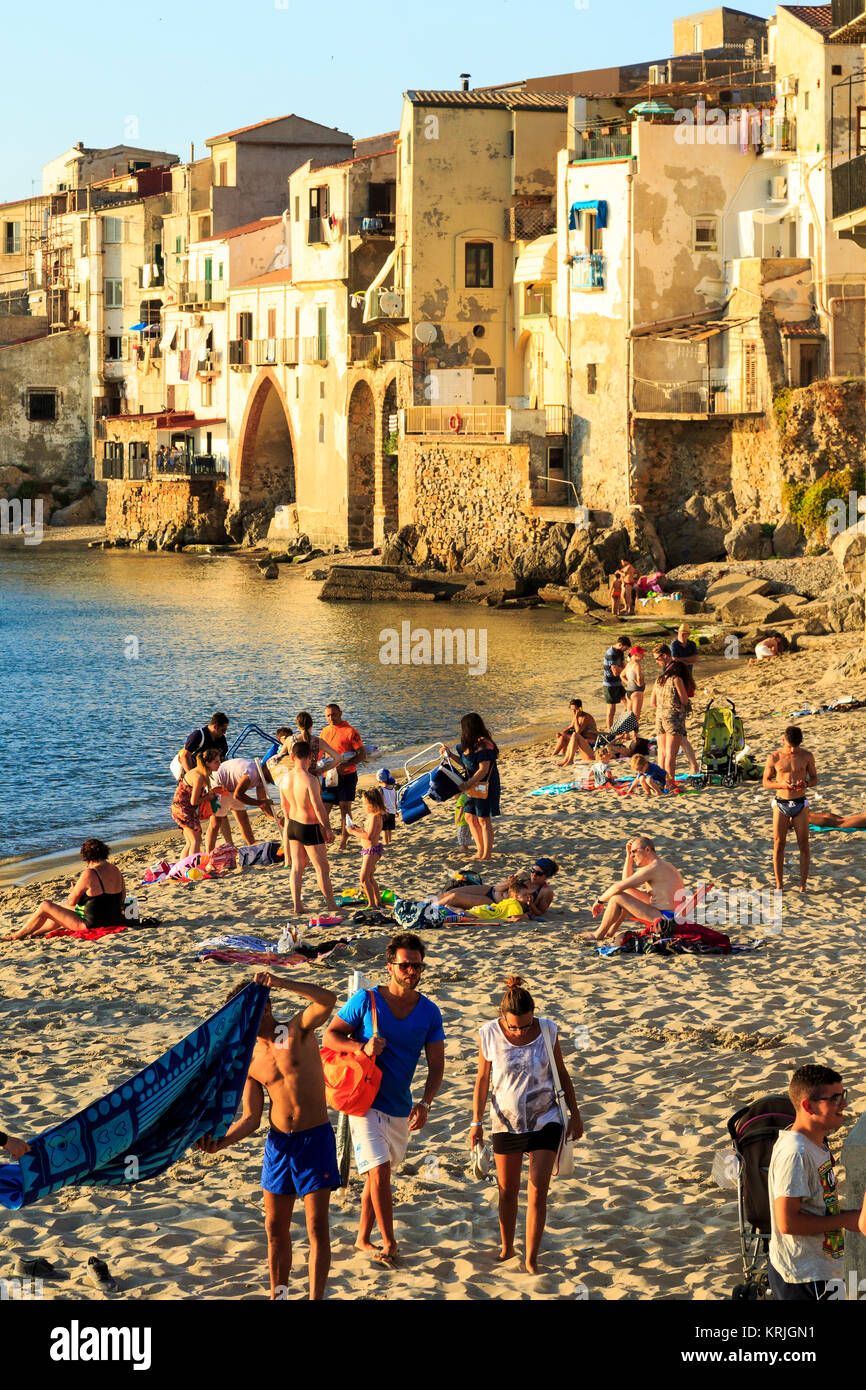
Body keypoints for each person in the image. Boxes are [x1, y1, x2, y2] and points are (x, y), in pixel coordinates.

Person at [197, 972, 340, 1301]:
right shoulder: (249, 1059)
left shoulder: (295, 1030)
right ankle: (280, 1295)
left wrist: (281, 982)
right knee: (275, 1229)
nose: (252, 1015)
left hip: (314, 1139)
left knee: (317, 1226)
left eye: (256, 1006)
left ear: (267, 1005)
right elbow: (250, 1117)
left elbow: (327, 1000)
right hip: (279, 1146)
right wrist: (221, 1142)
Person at [321, 934, 445, 1266]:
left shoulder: (430, 1012)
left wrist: (426, 1102)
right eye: (406, 965)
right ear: (390, 966)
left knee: (381, 1173)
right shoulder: (366, 1000)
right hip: (363, 1100)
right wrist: (359, 1048)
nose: (412, 971)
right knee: (379, 1173)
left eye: (417, 966)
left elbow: (437, 1064)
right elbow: (330, 1035)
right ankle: (389, 1242)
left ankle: (362, 1238)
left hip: (399, 1105)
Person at [471, 976, 582, 1274]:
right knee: (507, 1191)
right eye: (513, 1026)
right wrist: (475, 1122)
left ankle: (531, 1259)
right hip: (505, 1122)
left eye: (526, 1024)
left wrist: (575, 1114)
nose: (520, 1030)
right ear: (501, 1017)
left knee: (537, 1191)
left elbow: (561, 1071)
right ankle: (507, 1247)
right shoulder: (488, 1034)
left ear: (534, 1014)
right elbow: (483, 1080)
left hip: (546, 1119)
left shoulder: (547, 1029)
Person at [767, 1064, 866, 1301]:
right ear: (808, 1105)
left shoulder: (816, 1144)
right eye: (835, 1098)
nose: (844, 1104)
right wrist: (847, 1220)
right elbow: (787, 1223)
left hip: (820, 1270)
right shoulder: (796, 1153)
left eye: (844, 1095)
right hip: (804, 1278)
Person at [2, 839, 125, 941]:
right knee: (62, 908)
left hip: (92, 925)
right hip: (112, 919)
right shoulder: (116, 870)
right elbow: (122, 898)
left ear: (86, 858)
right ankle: (36, 932)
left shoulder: (90, 873)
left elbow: (72, 901)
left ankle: (17, 935)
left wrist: (73, 891)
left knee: (45, 906)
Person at [585, 836, 684, 943]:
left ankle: (598, 934)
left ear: (647, 849)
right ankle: (609, 933)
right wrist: (628, 858)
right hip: (672, 916)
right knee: (626, 894)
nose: (632, 855)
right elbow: (626, 884)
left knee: (617, 898)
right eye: (630, 853)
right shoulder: (663, 865)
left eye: (634, 852)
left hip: (666, 920)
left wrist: (600, 901)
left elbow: (619, 886)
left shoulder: (654, 868)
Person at [279, 741, 338, 917]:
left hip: (293, 826)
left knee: (297, 867)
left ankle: (297, 906)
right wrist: (327, 828)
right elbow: (318, 807)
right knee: (322, 868)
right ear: (311, 757)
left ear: (292, 757)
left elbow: (284, 807)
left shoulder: (285, 779)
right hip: (309, 826)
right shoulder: (310, 779)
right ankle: (332, 905)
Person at [763, 726, 818, 891]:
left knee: (803, 844)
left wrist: (806, 783)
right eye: (789, 747)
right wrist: (781, 784)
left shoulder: (807, 756)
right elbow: (765, 782)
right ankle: (779, 884)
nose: (792, 750)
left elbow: (815, 778)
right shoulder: (774, 757)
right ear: (783, 741)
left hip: (800, 803)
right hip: (781, 803)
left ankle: (803, 884)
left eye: (795, 747)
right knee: (779, 843)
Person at [445, 714, 501, 861]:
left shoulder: (484, 745)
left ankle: (486, 854)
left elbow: (483, 769)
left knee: (483, 819)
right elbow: (465, 764)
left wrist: (467, 784)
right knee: (469, 816)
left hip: (484, 785)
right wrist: (450, 754)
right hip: (472, 784)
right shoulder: (470, 744)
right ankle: (480, 850)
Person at [204, 756, 279, 854]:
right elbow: (238, 796)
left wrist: (276, 819)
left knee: (243, 817)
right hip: (217, 784)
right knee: (216, 822)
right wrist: (259, 803)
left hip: (233, 787)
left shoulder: (263, 777)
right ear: (266, 770)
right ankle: (208, 854)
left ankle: (252, 845)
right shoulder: (251, 773)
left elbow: (262, 801)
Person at [320, 704, 366, 851]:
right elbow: (320, 753)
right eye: (328, 715)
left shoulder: (351, 731)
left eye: (333, 714)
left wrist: (344, 766)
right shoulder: (325, 731)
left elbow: (362, 755)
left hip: (347, 775)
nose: (331, 718)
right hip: (329, 775)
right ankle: (322, 839)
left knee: (344, 809)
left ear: (340, 713)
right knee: (324, 808)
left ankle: (344, 841)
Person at [654, 658, 698, 789]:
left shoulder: (659, 679)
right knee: (671, 755)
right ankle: (670, 783)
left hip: (660, 717)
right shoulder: (676, 679)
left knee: (661, 753)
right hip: (673, 719)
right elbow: (684, 700)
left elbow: (653, 702)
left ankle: (660, 781)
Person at [171, 748, 221, 857]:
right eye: (216, 762)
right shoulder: (198, 776)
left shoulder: (202, 773)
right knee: (195, 840)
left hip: (183, 808)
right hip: (182, 809)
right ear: (207, 763)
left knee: (190, 842)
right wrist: (208, 797)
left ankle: (184, 867)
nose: (219, 764)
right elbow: (194, 801)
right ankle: (194, 868)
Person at [348, 787, 385, 908]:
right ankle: (377, 901)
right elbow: (366, 832)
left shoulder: (375, 816)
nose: (364, 805)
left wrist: (352, 833)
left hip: (372, 851)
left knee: (363, 878)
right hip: (368, 850)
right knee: (370, 877)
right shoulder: (371, 815)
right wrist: (356, 829)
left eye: (366, 803)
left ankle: (372, 904)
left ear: (372, 803)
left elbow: (369, 836)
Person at [553, 699, 598, 766]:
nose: (573, 712)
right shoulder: (576, 716)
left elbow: (578, 731)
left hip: (591, 741)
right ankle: (554, 755)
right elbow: (570, 727)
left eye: (575, 709)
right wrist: (561, 733)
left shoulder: (585, 717)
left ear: (580, 708)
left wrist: (576, 717)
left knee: (570, 735)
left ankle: (567, 758)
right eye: (572, 710)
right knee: (562, 736)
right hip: (583, 739)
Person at [602, 638, 629, 730]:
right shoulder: (611, 653)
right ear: (620, 645)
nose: (625, 651)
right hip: (609, 684)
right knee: (611, 710)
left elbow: (623, 665)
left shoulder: (620, 652)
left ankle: (618, 725)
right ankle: (610, 731)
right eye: (625, 648)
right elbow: (615, 672)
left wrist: (625, 670)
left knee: (628, 705)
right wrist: (626, 671)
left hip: (618, 683)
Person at [622, 646, 647, 723]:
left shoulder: (629, 665)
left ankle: (626, 733)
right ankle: (635, 734)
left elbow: (622, 675)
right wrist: (640, 684)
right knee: (636, 715)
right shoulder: (637, 665)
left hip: (629, 691)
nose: (643, 655)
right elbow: (639, 677)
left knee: (629, 715)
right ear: (636, 654)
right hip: (637, 692)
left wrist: (628, 682)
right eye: (642, 653)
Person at [376, 769, 398, 845]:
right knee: (390, 829)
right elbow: (395, 801)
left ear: (379, 781)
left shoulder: (381, 790)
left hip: (384, 812)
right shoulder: (394, 789)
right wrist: (396, 811)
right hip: (392, 812)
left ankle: (386, 842)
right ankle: (390, 840)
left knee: (385, 829)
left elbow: (381, 802)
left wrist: (379, 811)